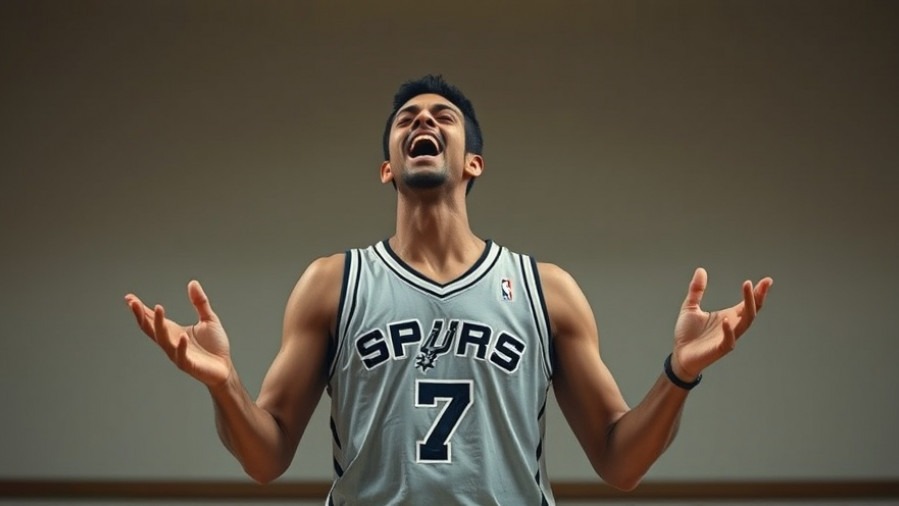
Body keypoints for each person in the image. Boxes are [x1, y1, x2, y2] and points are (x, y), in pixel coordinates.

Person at [125, 75, 773, 505]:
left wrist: (679, 374)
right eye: (407, 118)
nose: (422, 122)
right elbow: (265, 459)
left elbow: (619, 463)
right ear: (388, 166)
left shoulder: (545, 289)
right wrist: (224, 385)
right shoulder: (334, 283)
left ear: (472, 162)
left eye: (442, 116)